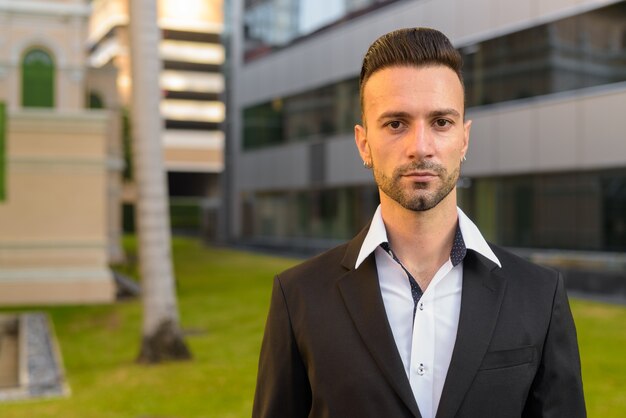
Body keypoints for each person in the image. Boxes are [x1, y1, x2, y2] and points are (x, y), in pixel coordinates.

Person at [252, 27, 586, 418]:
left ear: (464, 140)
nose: (420, 147)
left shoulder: (540, 296)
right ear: (363, 144)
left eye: (441, 122)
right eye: (396, 124)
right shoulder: (299, 297)